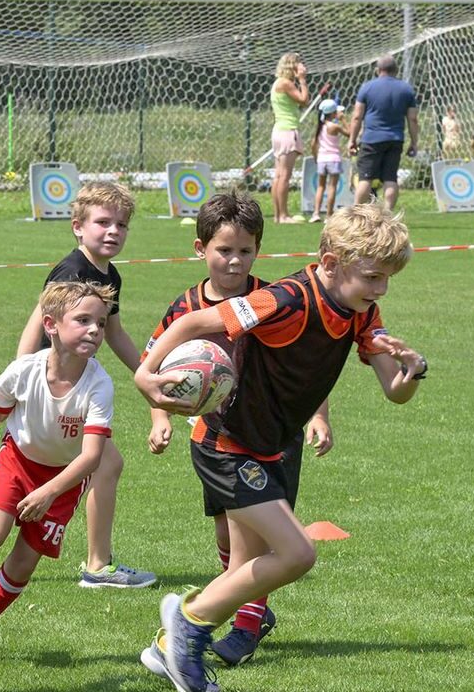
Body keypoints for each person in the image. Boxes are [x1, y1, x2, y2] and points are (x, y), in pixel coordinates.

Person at [136, 204, 426, 692]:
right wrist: (146, 376)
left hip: (270, 446)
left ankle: (172, 648)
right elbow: (189, 326)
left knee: (244, 571)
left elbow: (394, 392)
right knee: (297, 553)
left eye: (387, 279)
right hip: (227, 444)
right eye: (373, 277)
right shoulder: (284, 299)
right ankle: (185, 624)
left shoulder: (361, 312)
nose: (381, 290)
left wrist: (414, 370)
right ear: (331, 264)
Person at [0, 182, 158, 590]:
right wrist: (23, 377)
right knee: (99, 462)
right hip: (49, 388)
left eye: (121, 224)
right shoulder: (72, 272)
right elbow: (36, 318)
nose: (113, 231)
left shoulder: (107, 274)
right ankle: (98, 565)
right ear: (78, 227)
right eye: (103, 222)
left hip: (63, 386)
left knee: (19, 467)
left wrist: (147, 376)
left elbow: (114, 333)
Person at [138, 193, 332, 672]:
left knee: (264, 535)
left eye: (245, 251)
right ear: (200, 248)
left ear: (257, 250)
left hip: (273, 433)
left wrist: (319, 416)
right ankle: (240, 606)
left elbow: (306, 368)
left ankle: (247, 622)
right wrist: (160, 417)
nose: (234, 260)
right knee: (228, 529)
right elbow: (154, 365)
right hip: (217, 435)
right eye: (224, 250)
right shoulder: (186, 307)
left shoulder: (273, 300)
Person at [0, 281, 116, 665]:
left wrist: (49, 492)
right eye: (83, 320)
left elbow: (91, 457)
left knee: (21, 565)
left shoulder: (99, 384)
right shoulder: (25, 370)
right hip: (17, 461)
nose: (94, 330)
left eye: (100, 323)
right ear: (51, 325)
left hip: (64, 480)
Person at [347, 56, 419, 209]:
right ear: (396, 70)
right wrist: (414, 142)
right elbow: (412, 119)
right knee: (390, 179)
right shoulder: (406, 89)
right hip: (395, 139)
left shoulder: (367, 87)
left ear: (378, 70)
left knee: (365, 178)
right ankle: (388, 215)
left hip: (371, 139)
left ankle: (357, 213)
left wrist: (352, 140)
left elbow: (357, 116)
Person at [268, 53, 321, 224]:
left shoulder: (278, 83)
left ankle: (278, 215)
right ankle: (283, 215)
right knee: (284, 176)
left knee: (278, 175)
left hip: (279, 131)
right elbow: (304, 100)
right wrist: (302, 80)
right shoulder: (286, 83)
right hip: (287, 131)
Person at [309, 100, 347, 222]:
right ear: (332, 113)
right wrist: (343, 120)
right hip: (333, 158)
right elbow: (349, 133)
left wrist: (316, 157)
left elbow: (313, 144)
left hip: (321, 159)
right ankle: (329, 214)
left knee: (320, 186)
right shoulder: (334, 126)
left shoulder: (320, 127)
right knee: (332, 186)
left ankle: (316, 213)